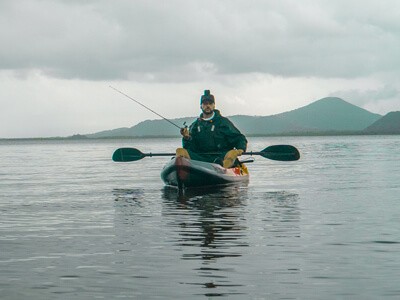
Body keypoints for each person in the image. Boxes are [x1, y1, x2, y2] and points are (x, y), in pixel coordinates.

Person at [176, 90, 248, 168]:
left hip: (221, 156)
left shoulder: (223, 122)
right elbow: (190, 148)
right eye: (205, 104)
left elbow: (239, 138)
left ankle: (222, 169)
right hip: (200, 157)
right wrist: (186, 137)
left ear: (214, 106)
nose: (208, 106)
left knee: (233, 153)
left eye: (210, 104)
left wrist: (241, 149)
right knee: (180, 151)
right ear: (201, 106)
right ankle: (184, 171)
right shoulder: (195, 125)